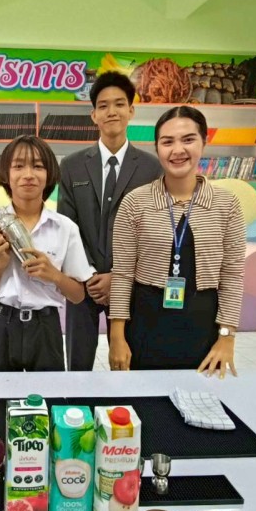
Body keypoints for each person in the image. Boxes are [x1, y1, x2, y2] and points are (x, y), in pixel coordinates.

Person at [108, 105, 246, 376]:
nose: (178, 150)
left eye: (188, 139)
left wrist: (227, 337)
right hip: (146, 326)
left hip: (203, 328)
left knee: (201, 398)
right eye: (167, 142)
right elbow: (122, 274)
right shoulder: (135, 203)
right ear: (157, 148)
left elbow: (232, 275)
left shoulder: (226, 204)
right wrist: (117, 337)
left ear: (204, 142)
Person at [0, 135, 94, 371]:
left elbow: (77, 296)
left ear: (49, 175)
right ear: (6, 174)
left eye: (38, 166)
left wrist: (54, 275)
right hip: (1, 325)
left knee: (48, 394)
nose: (28, 175)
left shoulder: (65, 228)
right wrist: (0, 263)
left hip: (46, 328)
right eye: (18, 166)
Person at [57, 72, 162, 371]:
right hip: (83, 285)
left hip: (132, 285)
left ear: (131, 110)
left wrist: (118, 276)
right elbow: (68, 227)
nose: (111, 111)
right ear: (94, 115)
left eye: (119, 104)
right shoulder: (72, 165)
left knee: (131, 364)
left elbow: (153, 232)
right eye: (103, 106)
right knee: (78, 367)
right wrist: (90, 274)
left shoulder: (152, 168)